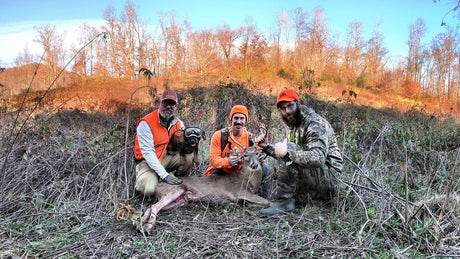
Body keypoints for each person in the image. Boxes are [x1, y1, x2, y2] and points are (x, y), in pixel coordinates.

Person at [257, 89, 343, 216]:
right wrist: (266, 148)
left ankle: (284, 202)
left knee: (290, 148)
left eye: (290, 106)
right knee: (277, 175)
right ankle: (311, 200)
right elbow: (286, 155)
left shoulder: (315, 123)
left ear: (298, 104)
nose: (287, 112)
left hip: (330, 178)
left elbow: (318, 158)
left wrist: (287, 153)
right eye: (283, 108)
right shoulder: (295, 126)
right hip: (314, 177)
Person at [134, 89, 188, 197]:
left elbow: (182, 147)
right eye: (165, 103)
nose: (168, 106)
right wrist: (164, 175)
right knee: (148, 190)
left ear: (176, 106)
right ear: (159, 103)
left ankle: (177, 185)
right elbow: (148, 153)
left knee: (188, 157)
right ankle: (150, 180)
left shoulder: (179, 123)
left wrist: (190, 142)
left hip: (164, 159)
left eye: (172, 104)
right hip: (147, 162)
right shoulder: (146, 123)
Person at [204, 104, 268, 177]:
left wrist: (261, 157)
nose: (239, 121)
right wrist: (228, 161)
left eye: (242, 118)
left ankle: (254, 187)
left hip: (242, 172)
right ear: (231, 119)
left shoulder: (251, 139)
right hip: (222, 171)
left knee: (264, 167)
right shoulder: (219, 136)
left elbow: (260, 159)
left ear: (246, 120)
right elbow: (213, 160)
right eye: (236, 118)